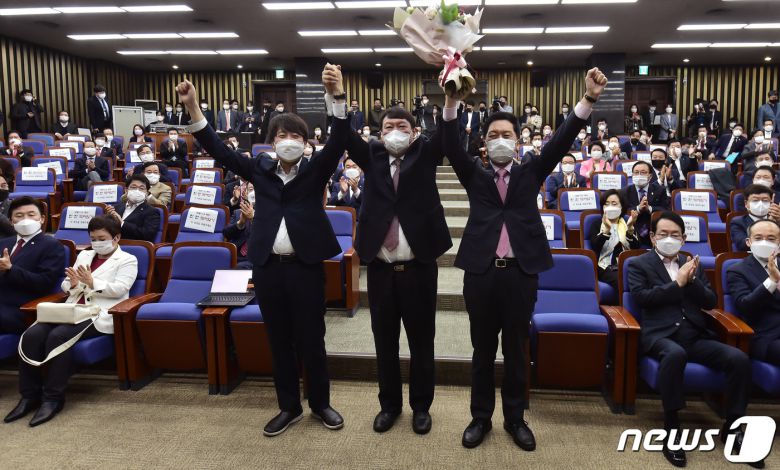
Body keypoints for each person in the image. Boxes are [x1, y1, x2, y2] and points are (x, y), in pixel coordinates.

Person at [177, 63, 350, 436]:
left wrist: (336, 96)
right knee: (278, 340)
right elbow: (218, 149)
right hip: (268, 268)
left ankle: (321, 403)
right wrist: (193, 108)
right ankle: (289, 407)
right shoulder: (259, 169)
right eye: (282, 135)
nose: (289, 140)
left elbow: (339, 140)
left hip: (305, 267)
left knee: (312, 340)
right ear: (272, 142)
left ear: (306, 143)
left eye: (296, 136)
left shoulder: (316, 169)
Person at [443, 67, 606, 450]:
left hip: (521, 274)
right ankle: (480, 418)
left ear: (518, 142)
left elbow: (561, 140)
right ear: (484, 144)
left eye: (507, 135)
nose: (500, 140)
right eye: (493, 135)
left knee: (516, 350)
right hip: (481, 273)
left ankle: (515, 419)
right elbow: (449, 143)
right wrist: (450, 100)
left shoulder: (532, 171)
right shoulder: (474, 175)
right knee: (482, 350)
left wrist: (589, 99)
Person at [344, 90, 450, 434]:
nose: (394, 132)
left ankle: (421, 407)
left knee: (422, 342)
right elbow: (343, 134)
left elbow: (447, 134)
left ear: (414, 132)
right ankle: (389, 405)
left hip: (419, 268)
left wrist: (450, 100)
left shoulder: (425, 154)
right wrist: (337, 98)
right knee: (384, 342)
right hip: (380, 269)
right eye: (388, 127)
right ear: (379, 133)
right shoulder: (373, 155)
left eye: (402, 127)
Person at [628, 211, 753, 469]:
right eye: (663, 234)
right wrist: (677, 283)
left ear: (684, 239)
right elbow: (643, 298)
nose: (669, 239)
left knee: (738, 359)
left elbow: (710, 301)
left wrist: (692, 280)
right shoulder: (639, 264)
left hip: (694, 335)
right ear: (652, 237)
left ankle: (733, 426)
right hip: (660, 335)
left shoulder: (692, 263)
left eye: (675, 235)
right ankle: (672, 428)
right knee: (675, 354)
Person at [6, 215, 137, 427]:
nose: (97, 243)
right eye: (93, 238)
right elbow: (66, 285)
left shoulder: (128, 259)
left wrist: (92, 282)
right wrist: (74, 284)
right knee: (32, 334)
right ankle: (29, 395)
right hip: (71, 309)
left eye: (102, 238)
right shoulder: (85, 255)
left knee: (58, 336)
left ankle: (53, 398)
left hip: (99, 313)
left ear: (116, 238)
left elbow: (120, 289)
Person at [0, 197, 64, 335]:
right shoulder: (4, 243)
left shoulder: (52, 246)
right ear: (11, 221)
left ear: (42, 219)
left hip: (22, 308)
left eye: (31, 214)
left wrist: (11, 269)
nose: (25, 219)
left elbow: (43, 282)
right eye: (19, 215)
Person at [728, 219, 780, 368]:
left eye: (771, 238)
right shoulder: (737, 270)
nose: (764, 242)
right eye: (758, 238)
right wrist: (771, 281)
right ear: (748, 242)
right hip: (767, 336)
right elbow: (745, 306)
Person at [589, 189, 640, 289]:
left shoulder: (627, 222)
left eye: (614, 204)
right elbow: (595, 247)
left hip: (628, 264)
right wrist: (607, 230)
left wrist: (630, 229)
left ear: (621, 206)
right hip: (606, 266)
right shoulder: (597, 224)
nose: (610, 207)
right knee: (622, 279)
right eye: (606, 204)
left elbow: (636, 248)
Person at [620, 160, 670, 247]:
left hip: (653, 230)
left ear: (650, 176)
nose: (639, 175)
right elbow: (622, 212)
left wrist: (650, 208)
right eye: (636, 172)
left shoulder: (659, 190)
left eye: (643, 172)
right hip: (632, 230)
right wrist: (638, 208)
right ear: (632, 175)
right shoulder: (624, 192)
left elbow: (665, 210)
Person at [105, 175, 161, 243]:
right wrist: (108, 218)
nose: (137, 190)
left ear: (147, 193)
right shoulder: (116, 208)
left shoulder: (152, 212)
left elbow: (147, 235)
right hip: (111, 244)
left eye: (141, 188)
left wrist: (122, 223)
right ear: (126, 190)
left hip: (133, 246)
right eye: (133, 187)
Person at [730, 184, 780, 252]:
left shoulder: (777, 220)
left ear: (771, 203)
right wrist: (767, 224)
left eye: (765, 200)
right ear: (746, 203)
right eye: (755, 200)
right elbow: (742, 244)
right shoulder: (738, 222)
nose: (760, 204)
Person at [223, 196, 255, 270]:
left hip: (258, 257)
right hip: (237, 256)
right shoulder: (238, 213)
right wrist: (240, 223)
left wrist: (252, 219)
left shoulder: (268, 215)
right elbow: (226, 234)